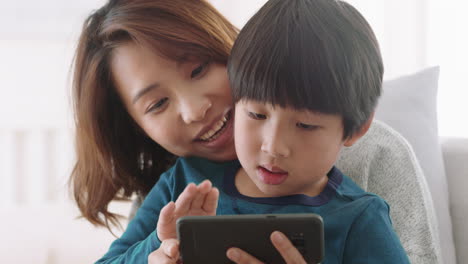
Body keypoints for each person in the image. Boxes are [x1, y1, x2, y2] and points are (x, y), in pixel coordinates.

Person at [101, 0, 411, 263]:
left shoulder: (359, 218)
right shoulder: (183, 183)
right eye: (256, 114)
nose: (273, 147)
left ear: (357, 129)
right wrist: (155, 247)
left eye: (305, 125)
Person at [69, 0, 237, 231]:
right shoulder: (162, 207)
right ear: (136, 128)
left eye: (198, 70)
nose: (195, 110)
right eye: (158, 103)